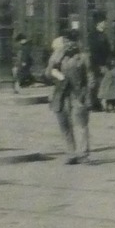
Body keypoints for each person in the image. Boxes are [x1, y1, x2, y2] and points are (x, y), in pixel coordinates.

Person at [46, 30, 91, 164]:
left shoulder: (83, 57)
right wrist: (55, 64)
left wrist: (88, 94)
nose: (69, 45)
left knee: (80, 124)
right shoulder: (57, 57)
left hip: (78, 94)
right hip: (61, 94)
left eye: (71, 41)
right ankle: (70, 153)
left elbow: (90, 77)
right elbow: (48, 74)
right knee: (64, 124)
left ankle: (83, 153)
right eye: (66, 41)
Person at [86, 15, 112, 111]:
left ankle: (98, 103)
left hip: (103, 62)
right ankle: (93, 103)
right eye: (103, 22)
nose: (105, 24)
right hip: (96, 63)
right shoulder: (93, 36)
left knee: (102, 83)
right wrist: (100, 64)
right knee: (95, 84)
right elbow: (94, 51)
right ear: (98, 24)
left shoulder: (103, 35)